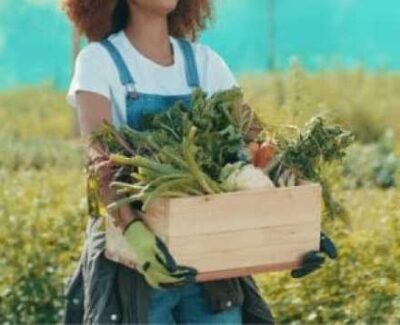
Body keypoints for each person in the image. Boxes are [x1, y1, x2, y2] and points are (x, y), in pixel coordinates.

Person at [61, 0, 337, 323]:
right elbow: (99, 161)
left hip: (208, 258)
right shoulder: (99, 61)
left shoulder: (205, 64)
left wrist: (294, 226)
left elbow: (261, 151)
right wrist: (136, 233)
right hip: (136, 265)